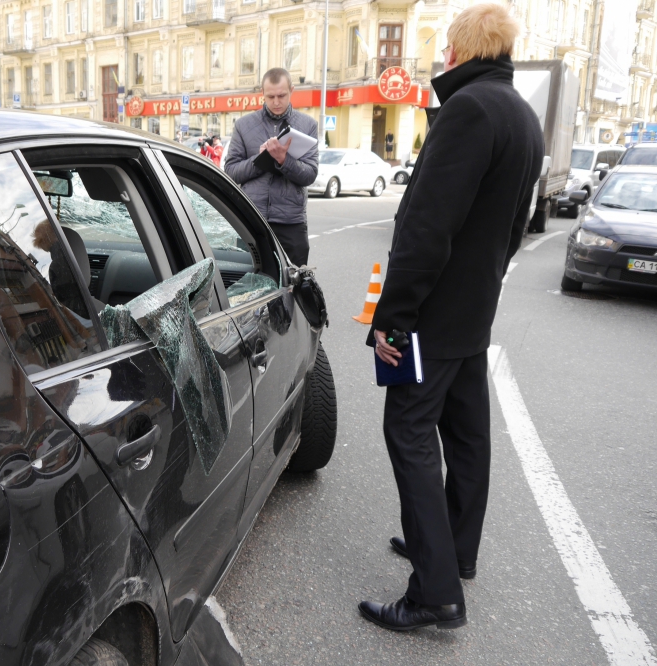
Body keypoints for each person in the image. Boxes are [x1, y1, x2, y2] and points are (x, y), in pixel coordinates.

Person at [359, 3, 544, 632]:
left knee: (408, 433)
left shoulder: (467, 110)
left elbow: (426, 226)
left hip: (433, 315)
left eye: (445, 50)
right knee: (467, 438)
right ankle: (454, 551)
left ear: (461, 51)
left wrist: (393, 315)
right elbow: (517, 225)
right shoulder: (520, 114)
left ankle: (434, 592)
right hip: (473, 312)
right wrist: (482, 285)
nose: (441, 60)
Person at [224, 67, 318, 266]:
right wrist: (262, 160)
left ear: (292, 90)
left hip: (291, 222)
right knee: (250, 285)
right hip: (252, 219)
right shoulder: (244, 125)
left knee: (295, 287)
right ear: (262, 94)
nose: (276, 102)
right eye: (270, 96)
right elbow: (231, 172)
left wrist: (284, 161)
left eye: (282, 95)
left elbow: (310, 174)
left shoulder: (308, 125)